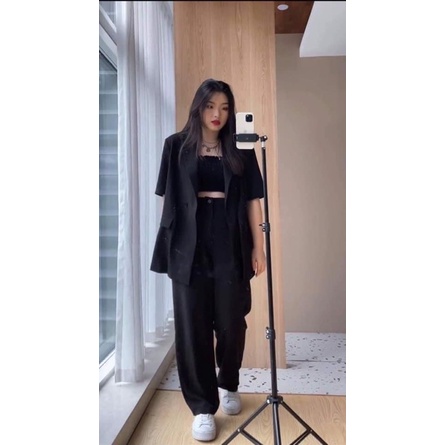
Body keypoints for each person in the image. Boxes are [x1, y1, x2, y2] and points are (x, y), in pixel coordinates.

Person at [150, 78, 266, 442]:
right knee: (192, 327)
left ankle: (228, 381)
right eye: (211, 106)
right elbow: (166, 199)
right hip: (188, 242)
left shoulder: (240, 148)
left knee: (232, 322)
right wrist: (168, 247)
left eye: (225, 107)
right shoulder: (175, 145)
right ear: (198, 107)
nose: (218, 114)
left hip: (230, 238)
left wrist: (258, 247)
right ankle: (202, 407)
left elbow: (252, 199)